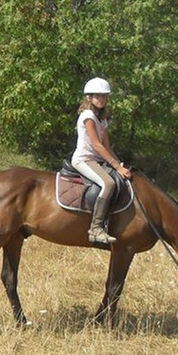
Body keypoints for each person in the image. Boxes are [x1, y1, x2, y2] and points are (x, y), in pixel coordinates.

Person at [71, 78, 132, 246]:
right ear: (89, 98)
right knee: (109, 184)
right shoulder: (88, 116)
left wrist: (119, 165)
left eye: (104, 96)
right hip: (84, 159)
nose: (101, 99)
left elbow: (106, 146)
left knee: (120, 180)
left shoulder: (102, 120)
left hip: (97, 161)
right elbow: (97, 146)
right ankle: (96, 228)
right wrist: (115, 167)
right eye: (97, 96)